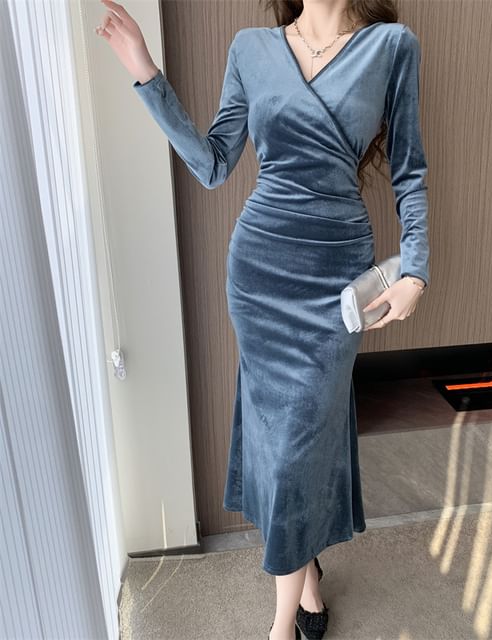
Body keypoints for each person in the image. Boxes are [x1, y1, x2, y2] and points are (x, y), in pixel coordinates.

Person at [96, 0, 430, 638]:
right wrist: (144, 70)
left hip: (335, 279)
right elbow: (213, 163)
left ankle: (279, 624)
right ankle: (303, 590)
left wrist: (414, 269)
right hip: (260, 273)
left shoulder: (391, 47)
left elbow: (410, 170)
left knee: (300, 444)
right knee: (281, 448)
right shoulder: (251, 48)